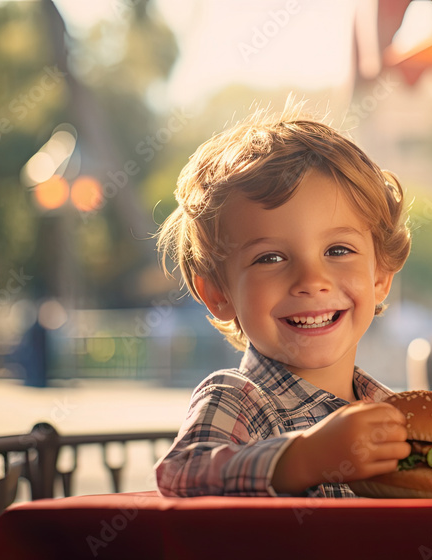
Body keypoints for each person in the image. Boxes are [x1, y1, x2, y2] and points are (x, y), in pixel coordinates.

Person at [153, 101, 412, 497]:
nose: (312, 281)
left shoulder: (395, 411)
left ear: (380, 276)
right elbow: (182, 476)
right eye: (270, 258)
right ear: (219, 294)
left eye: (338, 250)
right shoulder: (238, 400)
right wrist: (304, 458)